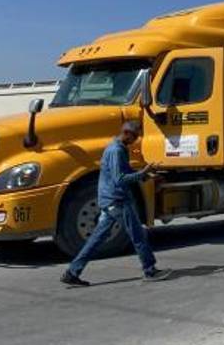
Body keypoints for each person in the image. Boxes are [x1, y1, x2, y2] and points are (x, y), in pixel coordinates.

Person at [62, 120, 168, 286]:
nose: (136, 140)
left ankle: (72, 272)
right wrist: (143, 173)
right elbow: (120, 179)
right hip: (117, 200)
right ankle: (150, 270)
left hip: (111, 199)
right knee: (138, 235)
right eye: (135, 136)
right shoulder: (116, 150)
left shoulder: (118, 148)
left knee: (96, 238)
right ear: (126, 133)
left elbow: (124, 171)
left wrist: (148, 175)